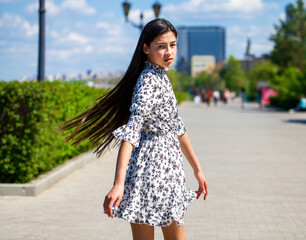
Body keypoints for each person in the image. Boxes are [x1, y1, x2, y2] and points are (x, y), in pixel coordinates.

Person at [57, 19, 208, 240]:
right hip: (156, 173)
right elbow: (131, 132)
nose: (169, 52)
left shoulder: (160, 77)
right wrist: (118, 184)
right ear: (146, 48)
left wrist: (197, 169)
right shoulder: (148, 82)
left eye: (173, 45)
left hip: (162, 171)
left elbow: (178, 127)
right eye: (161, 46)